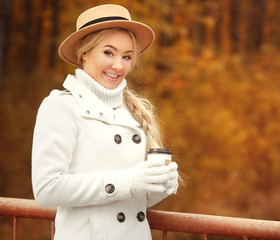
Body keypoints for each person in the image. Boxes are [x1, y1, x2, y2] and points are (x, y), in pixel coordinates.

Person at [31, 4, 179, 240]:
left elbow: (132, 199)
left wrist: (158, 186)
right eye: (108, 53)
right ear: (85, 52)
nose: (119, 66)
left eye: (127, 56)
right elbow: (47, 189)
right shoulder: (61, 106)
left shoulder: (132, 111)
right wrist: (126, 182)